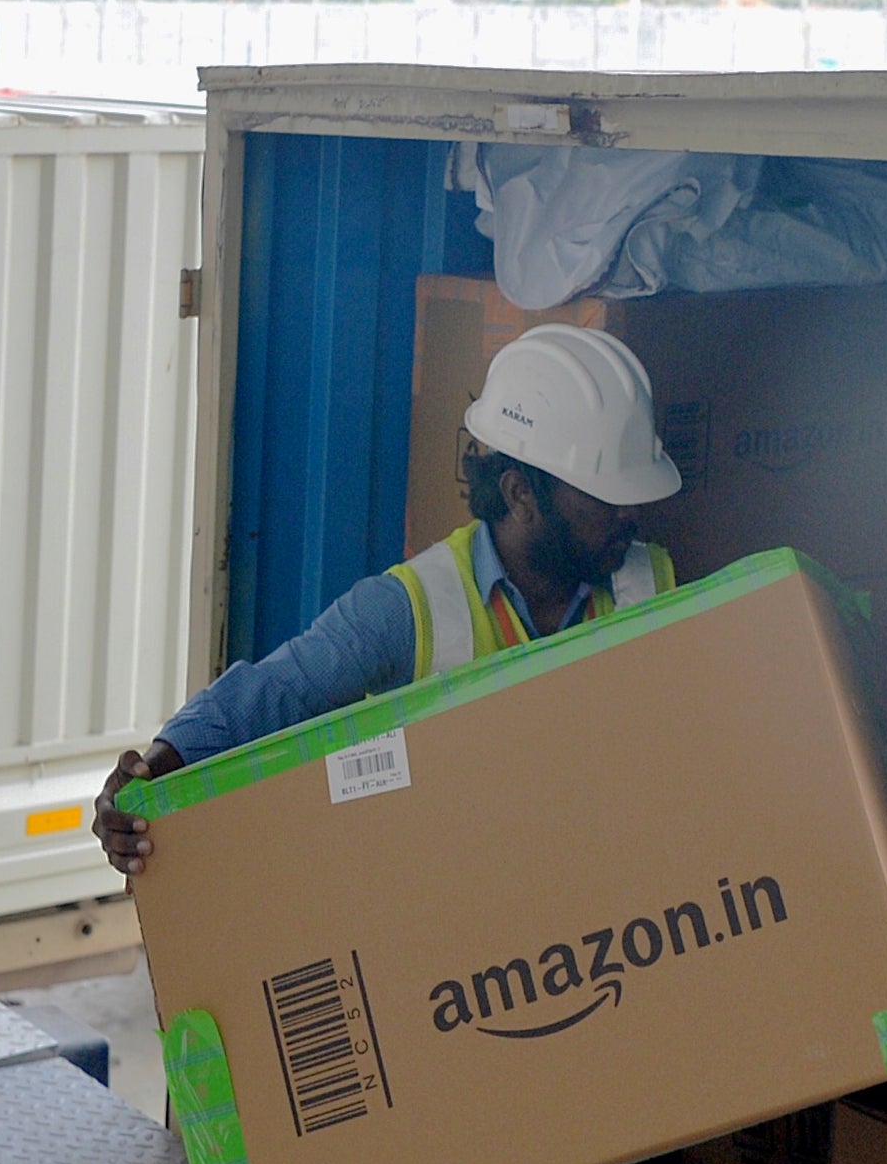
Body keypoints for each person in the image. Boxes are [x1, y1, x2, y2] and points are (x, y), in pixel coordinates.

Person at [97, 323, 683, 876]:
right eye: (607, 497)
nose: (632, 513)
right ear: (521, 493)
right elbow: (280, 690)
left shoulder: (653, 582)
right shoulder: (412, 609)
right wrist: (153, 772)